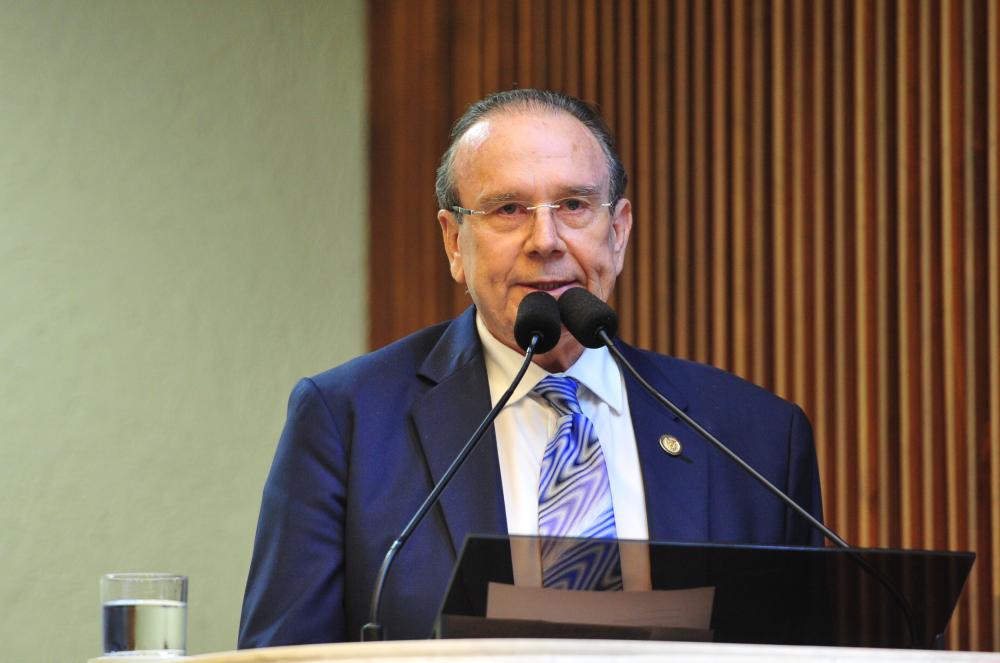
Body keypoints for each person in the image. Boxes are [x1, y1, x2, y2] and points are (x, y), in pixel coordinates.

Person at [238, 89, 824, 647]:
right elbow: (282, 654)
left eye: (574, 205)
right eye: (509, 209)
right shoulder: (348, 424)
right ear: (454, 242)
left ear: (618, 232)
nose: (546, 240)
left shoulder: (756, 439)